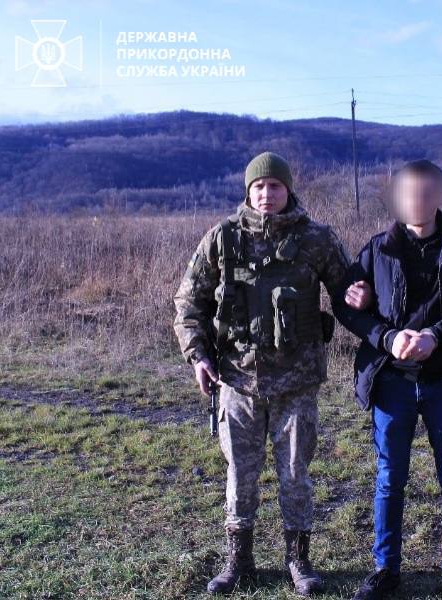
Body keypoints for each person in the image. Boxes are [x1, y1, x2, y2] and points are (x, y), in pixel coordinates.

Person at [173, 151, 356, 596]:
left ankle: (299, 560)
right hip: (237, 380)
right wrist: (199, 356)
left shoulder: (316, 239)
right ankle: (240, 561)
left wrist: (374, 313)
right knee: (240, 473)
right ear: (248, 191)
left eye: (275, 186)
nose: (266, 194)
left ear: (288, 189)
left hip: (297, 382)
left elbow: (350, 293)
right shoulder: (222, 238)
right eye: (259, 186)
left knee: (295, 474)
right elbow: (188, 304)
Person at [334, 159, 442, 600]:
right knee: (390, 478)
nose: (419, 201)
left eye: (427, 194)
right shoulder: (378, 249)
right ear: (398, 198)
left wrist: (436, 335)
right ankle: (385, 569)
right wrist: (387, 338)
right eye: (410, 194)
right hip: (393, 383)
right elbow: (345, 306)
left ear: (441, 196)